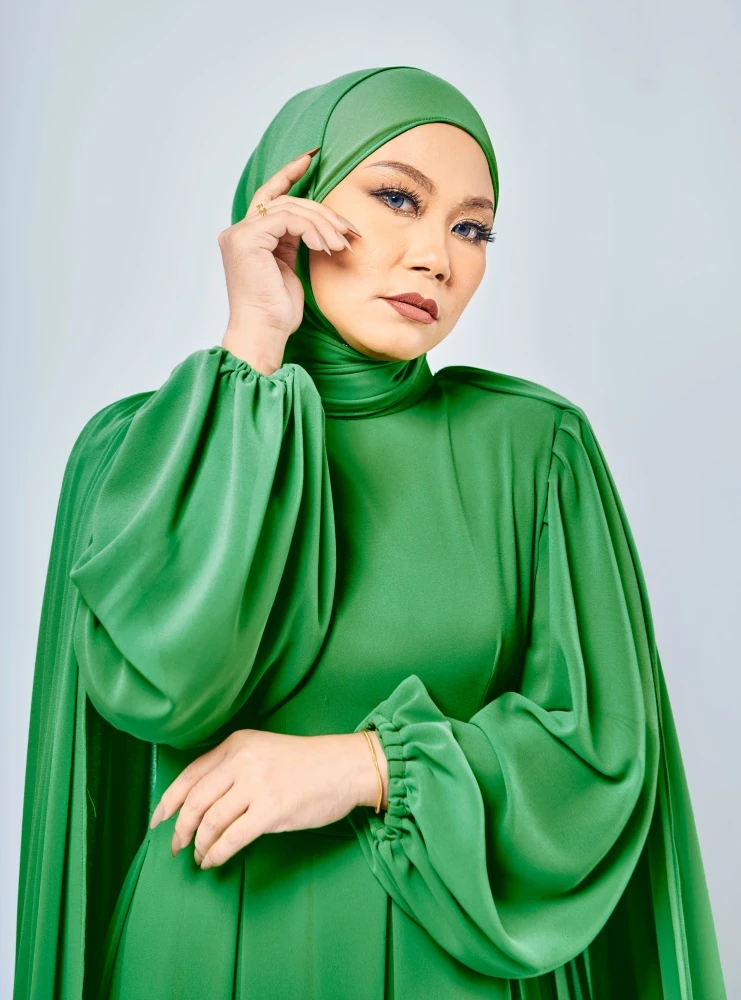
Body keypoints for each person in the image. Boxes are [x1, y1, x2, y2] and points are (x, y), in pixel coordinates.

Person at [13, 65, 727, 1000]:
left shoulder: (533, 449)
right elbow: (164, 692)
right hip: (199, 955)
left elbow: (602, 753)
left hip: (450, 951)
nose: (437, 257)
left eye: (471, 228)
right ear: (289, 206)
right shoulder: (141, 449)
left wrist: (366, 765)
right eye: (396, 198)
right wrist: (251, 344)